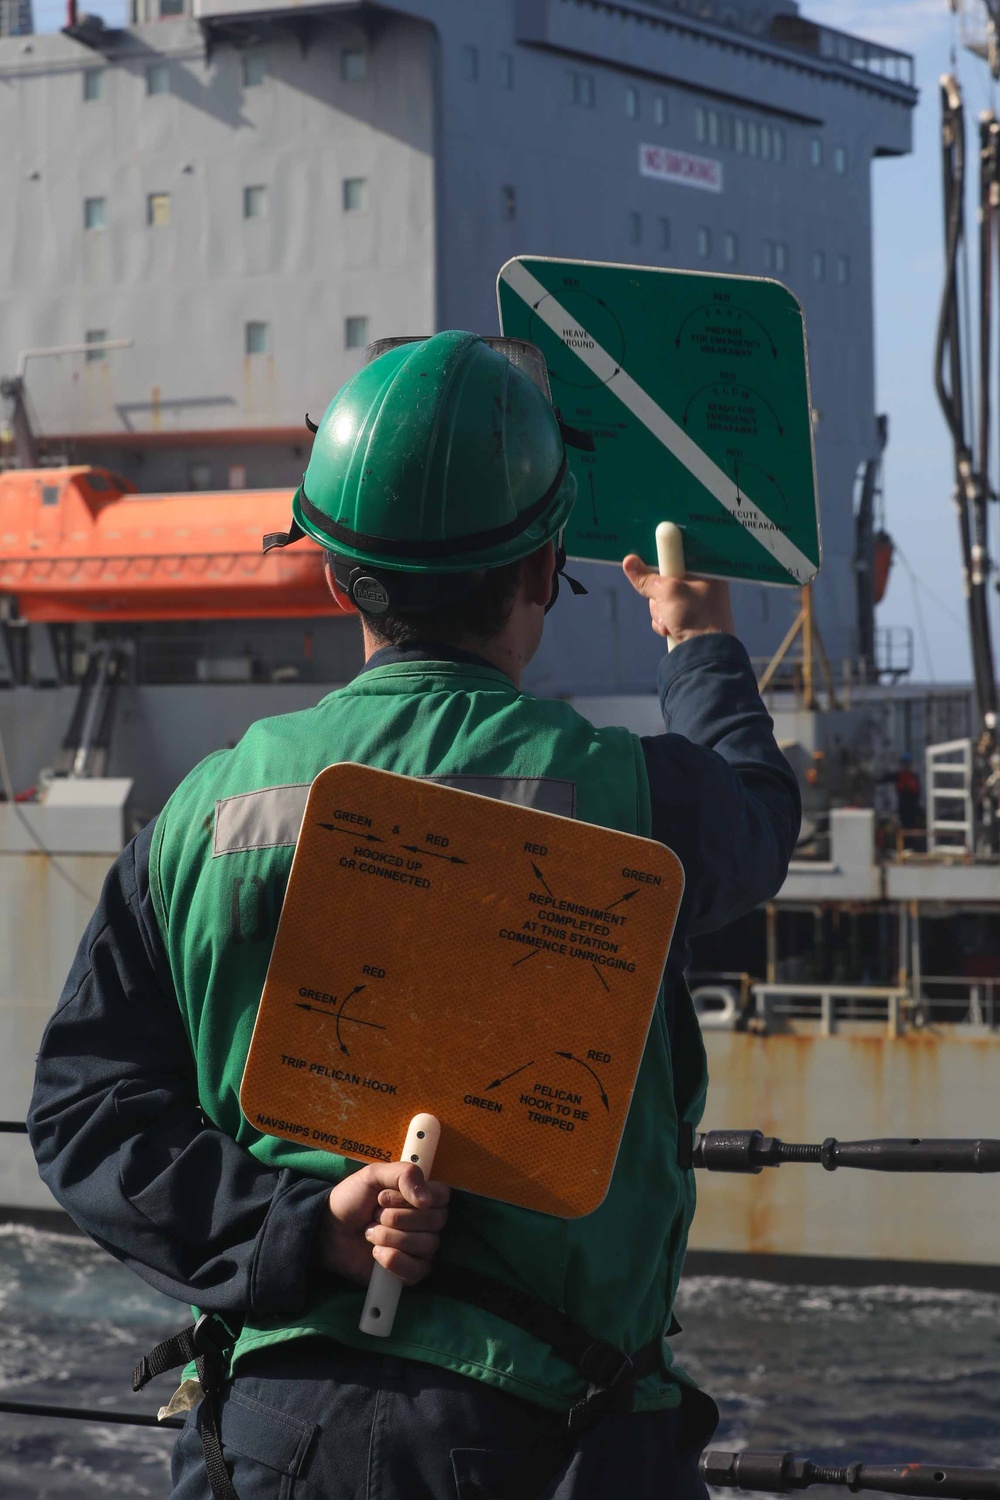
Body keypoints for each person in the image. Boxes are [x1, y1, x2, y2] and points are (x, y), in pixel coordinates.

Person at [28, 332, 801, 1500]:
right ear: (544, 569)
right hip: (556, 1439)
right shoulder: (632, 794)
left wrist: (303, 1228)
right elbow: (755, 819)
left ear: (335, 576)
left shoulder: (204, 810)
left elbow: (85, 1111)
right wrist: (696, 640)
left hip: (269, 1437)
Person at [895, 752, 922, 831]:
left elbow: (917, 791)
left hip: (911, 806)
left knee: (911, 825)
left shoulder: (913, 776)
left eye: (907, 763)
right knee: (904, 825)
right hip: (904, 805)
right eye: (904, 763)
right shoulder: (899, 775)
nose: (905, 765)